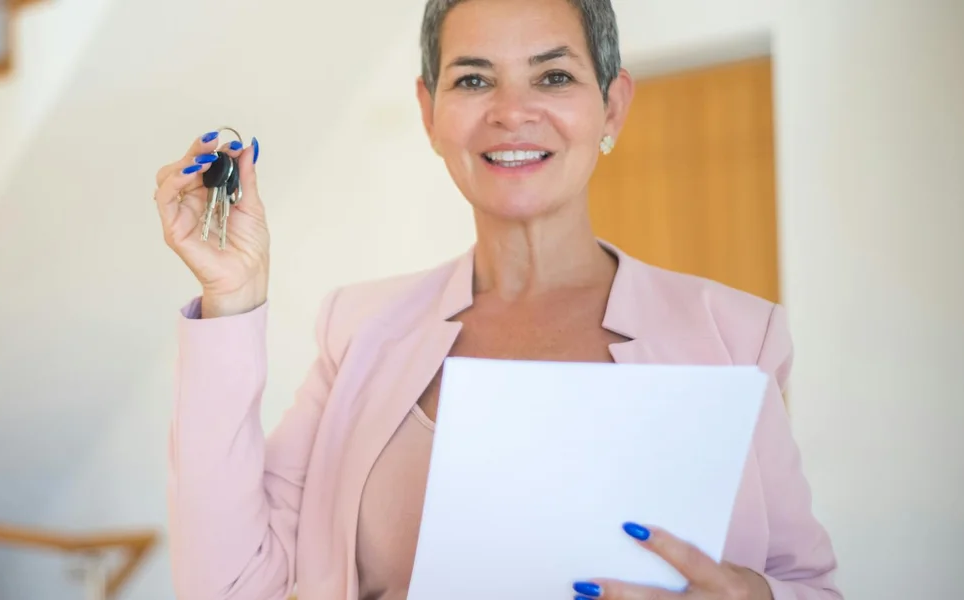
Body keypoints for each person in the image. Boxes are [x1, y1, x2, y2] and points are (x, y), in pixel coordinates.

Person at [151, 0, 842, 598]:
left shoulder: (736, 337)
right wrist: (232, 299)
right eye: (474, 79)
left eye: (554, 76)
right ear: (430, 113)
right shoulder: (358, 330)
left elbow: (809, 586)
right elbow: (229, 585)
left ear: (612, 104)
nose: (512, 113)